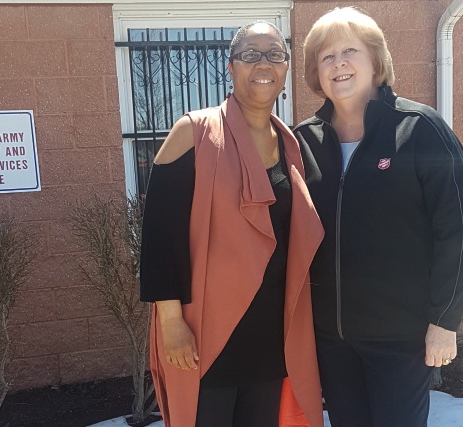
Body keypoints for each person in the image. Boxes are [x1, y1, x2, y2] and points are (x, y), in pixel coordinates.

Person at [293, 7, 463, 427]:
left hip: (400, 338)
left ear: (375, 60)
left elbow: (456, 230)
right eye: (326, 56)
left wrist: (444, 323)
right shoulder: (304, 141)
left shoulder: (420, 129)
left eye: (349, 51)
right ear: (315, 72)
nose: (338, 63)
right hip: (333, 340)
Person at [139, 21, 324, 427]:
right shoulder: (193, 133)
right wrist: (171, 322)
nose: (263, 64)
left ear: (287, 67)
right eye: (250, 54)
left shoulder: (292, 146)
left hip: (270, 340)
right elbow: (158, 236)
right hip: (206, 336)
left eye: (274, 54)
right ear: (230, 66)